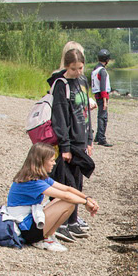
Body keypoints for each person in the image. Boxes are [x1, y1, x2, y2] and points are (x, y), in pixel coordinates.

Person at [4, 143, 99, 252]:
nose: (54, 163)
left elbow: (67, 189)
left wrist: (87, 198)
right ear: (41, 162)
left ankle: (47, 236)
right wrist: (85, 203)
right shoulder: (33, 182)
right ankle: (42, 238)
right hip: (25, 230)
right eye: (51, 160)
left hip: (28, 222)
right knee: (67, 202)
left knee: (65, 200)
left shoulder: (37, 176)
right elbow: (66, 196)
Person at [48, 44, 95, 243]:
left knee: (77, 181)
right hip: (67, 141)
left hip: (81, 139)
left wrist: (90, 139)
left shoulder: (82, 81)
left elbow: (86, 111)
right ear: (67, 67)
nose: (77, 72)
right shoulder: (61, 84)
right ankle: (60, 223)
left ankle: (73, 219)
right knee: (64, 182)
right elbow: (59, 117)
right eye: (73, 69)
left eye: (80, 68)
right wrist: (64, 146)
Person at [91, 48, 113, 147]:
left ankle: (97, 136)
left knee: (101, 115)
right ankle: (101, 138)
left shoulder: (95, 69)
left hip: (97, 94)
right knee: (103, 117)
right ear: (107, 60)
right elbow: (103, 86)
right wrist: (105, 100)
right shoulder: (102, 71)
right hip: (102, 95)